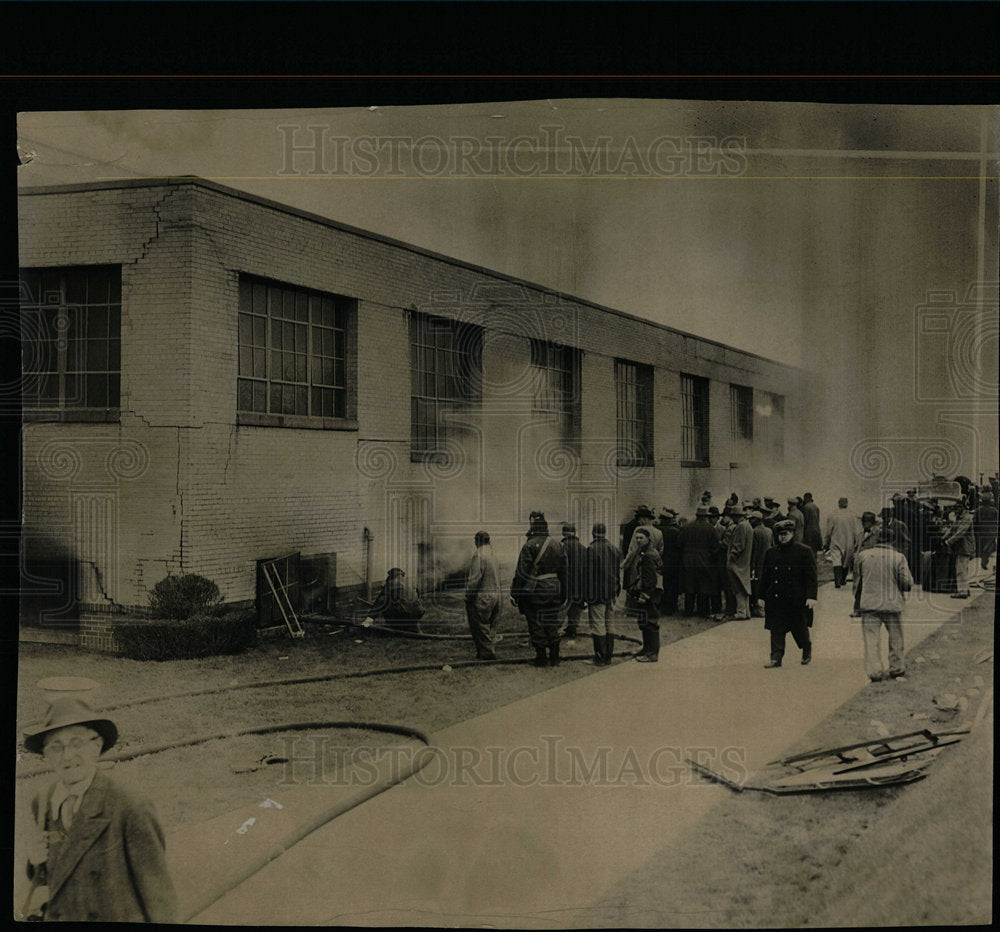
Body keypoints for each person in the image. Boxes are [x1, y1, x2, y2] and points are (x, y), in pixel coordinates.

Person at [20, 699, 178, 923]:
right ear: (46, 754)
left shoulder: (130, 806)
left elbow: (160, 899)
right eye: (56, 746)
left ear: (96, 746)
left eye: (76, 743)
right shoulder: (43, 802)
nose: (67, 755)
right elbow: (58, 868)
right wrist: (34, 861)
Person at [854, 526, 913, 682]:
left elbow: (857, 582)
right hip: (892, 604)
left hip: (869, 604)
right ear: (893, 540)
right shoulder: (898, 557)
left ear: (877, 539)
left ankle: (875, 671)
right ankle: (896, 667)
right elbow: (907, 583)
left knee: (871, 640)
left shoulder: (863, 555)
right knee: (896, 637)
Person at [511, 511, 567, 667]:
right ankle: (555, 657)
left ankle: (541, 658)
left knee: (535, 623)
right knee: (551, 622)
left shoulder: (529, 546)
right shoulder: (558, 545)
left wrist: (515, 593)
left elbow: (521, 572)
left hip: (535, 591)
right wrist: (564, 592)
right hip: (554, 588)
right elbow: (564, 572)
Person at [760, 519, 817, 668]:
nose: (782, 537)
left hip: (796, 599)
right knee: (776, 629)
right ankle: (776, 657)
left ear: (792, 533)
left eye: (785, 534)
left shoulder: (804, 551)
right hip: (776, 598)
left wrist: (811, 596)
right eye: (780, 535)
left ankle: (806, 648)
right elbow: (765, 576)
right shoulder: (771, 553)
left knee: (799, 628)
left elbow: (811, 576)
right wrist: (760, 596)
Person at [584, 522, 621, 665]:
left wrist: (587, 595)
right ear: (605, 533)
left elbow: (588, 575)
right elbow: (617, 572)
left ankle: (600, 658)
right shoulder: (614, 549)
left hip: (597, 594)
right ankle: (608, 657)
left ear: (593, 533)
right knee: (609, 623)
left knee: (598, 624)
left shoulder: (591, 549)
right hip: (611, 593)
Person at [623, 527, 663, 662]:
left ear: (648, 539)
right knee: (644, 621)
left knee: (651, 622)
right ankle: (646, 648)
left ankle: (652, 653)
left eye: (641, 538)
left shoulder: (648, 555)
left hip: (649, 593)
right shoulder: (643, 552)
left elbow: (650, 578)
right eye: (637, 538)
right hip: (647, 591)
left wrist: (644, 595)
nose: (638, 540)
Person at [465, 530, 502, 660]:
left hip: (483, 595)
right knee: (491, 625)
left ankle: (487, 653)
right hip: (496, 595)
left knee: (480, 624)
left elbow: (475, 579)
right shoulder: (492, 553)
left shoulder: (479, 555)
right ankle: (489, 649)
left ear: (477, 542)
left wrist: (468, 596)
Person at [679, 505, 718, 617]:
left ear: (697, 515)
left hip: (688, 560)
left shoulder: (687, 527)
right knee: (703, 586)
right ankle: (703, 611)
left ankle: (688, 610)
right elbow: (715, 547)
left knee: (689, 585)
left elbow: (679, 543)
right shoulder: (710, 528)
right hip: (705, 560)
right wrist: (710, 556)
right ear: (706, 516)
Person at [366, 567, 424, 632]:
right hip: (418, 614)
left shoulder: (390, 583)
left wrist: (369, 619)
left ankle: (395, 625)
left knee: (384, 601)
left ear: (391, 576)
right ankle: (412, 625)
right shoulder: (409, 584)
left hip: (405, 615)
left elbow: (380, 600)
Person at [942, 501, 976, 598]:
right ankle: (966, 589)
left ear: (962, 508)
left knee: (960, 570)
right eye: (954, 508)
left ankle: (962, 592)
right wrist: (942, 538)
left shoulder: (967, 518)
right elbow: (951, 530)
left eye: (957, 508)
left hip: (965, 547)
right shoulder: (959, 518)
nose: (955, 510)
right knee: (963, 569)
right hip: (961, 548)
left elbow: (960, 533)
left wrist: (948, 541)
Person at [725, 505, 754, 620]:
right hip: (745, 562)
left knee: (738, 588)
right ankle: (746, 612)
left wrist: (731, 557)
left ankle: (741, 612)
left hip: (737, 563)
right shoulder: (748, 526)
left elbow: (738, 545)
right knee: (744, 587)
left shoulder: (741, 527)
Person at [824, 497, 859, 589]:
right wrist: (856, 542)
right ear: (847, 504)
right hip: (849, 541)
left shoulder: (833, 515)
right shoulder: (852, 515)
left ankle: (837, 581)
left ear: (838, 503)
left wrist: (826, 542)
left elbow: (828, 531)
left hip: (836, 540)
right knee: (846, 561)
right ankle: (843, 579)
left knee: (836, 560)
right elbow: (856, 531)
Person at [560, 523, 587, 638]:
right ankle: (572, 630)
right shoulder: (583, 548)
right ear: (575, 533)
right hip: (580, 584)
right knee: (576, 608)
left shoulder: (560, 546)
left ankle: (554, 631)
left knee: (562, 608)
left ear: (563, 533)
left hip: (565, 584)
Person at [850, 511, 880, 617]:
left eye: (865, 522)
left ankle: (868, 609)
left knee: (870, 587)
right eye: (863, 521)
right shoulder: (860, 534)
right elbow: (856, 547)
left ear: (871, 522)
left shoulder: (878, 533)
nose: (863, 524)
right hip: (860, 564)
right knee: (858, 587)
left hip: (872, 563)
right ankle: (858, 609)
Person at [657, 508, 682, 615]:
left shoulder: (657, 531)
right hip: (674, 562)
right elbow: (680, 546)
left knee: (661, 584)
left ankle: (660, 605)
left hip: (660, 560)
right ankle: (672, 606)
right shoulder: (676, 531)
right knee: (672, 585)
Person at [747, 510, 772, 617]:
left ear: (756, 520)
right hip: (769, 562)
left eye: (751, 519)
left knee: (757, 585)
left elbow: (754, 550)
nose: (750, 521)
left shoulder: (755, 532)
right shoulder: (769, 531)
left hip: (759, 563)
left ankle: (759, 608)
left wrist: (752, 565)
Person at [974, 491, 998, 571]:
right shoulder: (994, 511)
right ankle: (985, 561)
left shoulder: (977, 510)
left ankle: (983, 561)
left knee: (981, 548)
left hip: (980, 533)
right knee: (989, 548)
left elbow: (975, 522)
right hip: (990, 533)